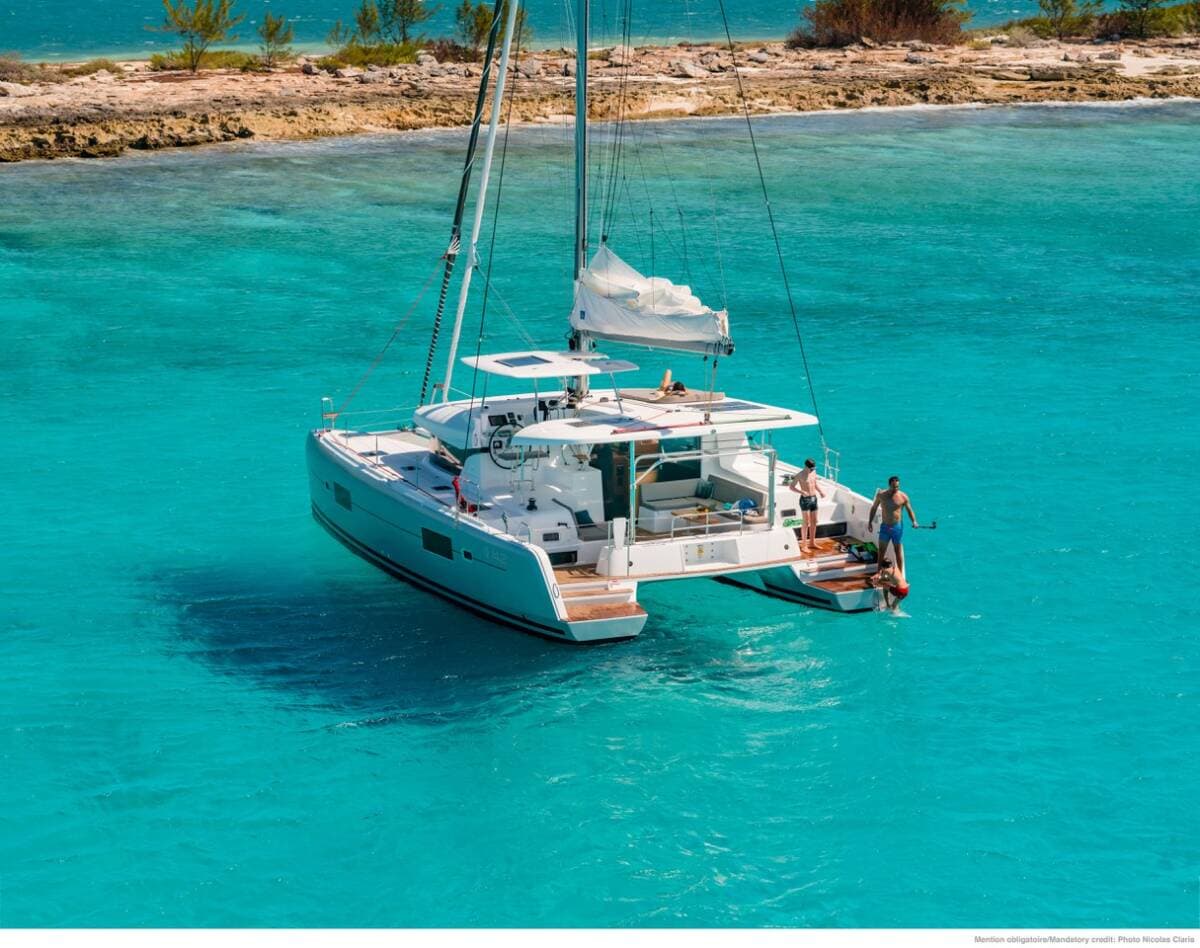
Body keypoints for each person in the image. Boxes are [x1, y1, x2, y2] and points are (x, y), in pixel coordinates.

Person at [868, 475, 918, 572]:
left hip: (897, 528)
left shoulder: (903, 497)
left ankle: (900, 573)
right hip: (885, 527)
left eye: (897, 487)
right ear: (889, 485)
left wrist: (914, 521)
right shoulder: (881, 495)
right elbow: (874, 508)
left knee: (897, 551)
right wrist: (870, 522)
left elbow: (910, 510)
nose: (896, 489)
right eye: (894, 487)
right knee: (881, 551)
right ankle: (878, 572)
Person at [788, 458, 826, 555]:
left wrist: (821, 492)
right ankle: (804, 545)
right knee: (806, 522)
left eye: (813, 468)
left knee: (814, 521)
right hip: (805, 500)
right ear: (806, 467)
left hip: (814, 498)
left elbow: (815, 483)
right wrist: (801, 492)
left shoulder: (813, 472)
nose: (812, 470)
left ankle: (812, 542)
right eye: (811, 468)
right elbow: (791, 487)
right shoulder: (800, 475)